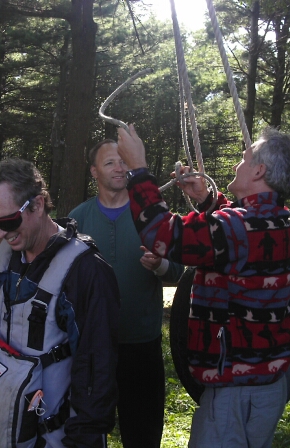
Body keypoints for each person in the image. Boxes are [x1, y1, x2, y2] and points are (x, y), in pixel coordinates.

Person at [116, 124, 290, 448]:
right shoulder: (280, 220)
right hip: (267, 385)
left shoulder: (240, 226)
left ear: (259, 170)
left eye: (244, 159)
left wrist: (138, 170)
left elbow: (163, 236)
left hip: (234, 395)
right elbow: (238, 235)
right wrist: (207, 199)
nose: (237, 164)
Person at [0, 158, 120, 447]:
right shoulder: (5, 257)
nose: (0, 234)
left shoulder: (87, 272)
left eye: (8, 221)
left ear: (37, 205)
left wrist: (82, 440)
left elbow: (97, 372)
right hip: (2, 428)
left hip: (57, 436)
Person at [68, 139, 183, 448]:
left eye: (123, 161)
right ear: (94, 171)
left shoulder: (152, 217)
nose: (119, 168)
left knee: (142, 434)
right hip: (92, 349)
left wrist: (159, 264)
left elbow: (176, 273)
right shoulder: (77, 219)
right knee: (88, 432)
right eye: (109, 163)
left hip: (142, 345)